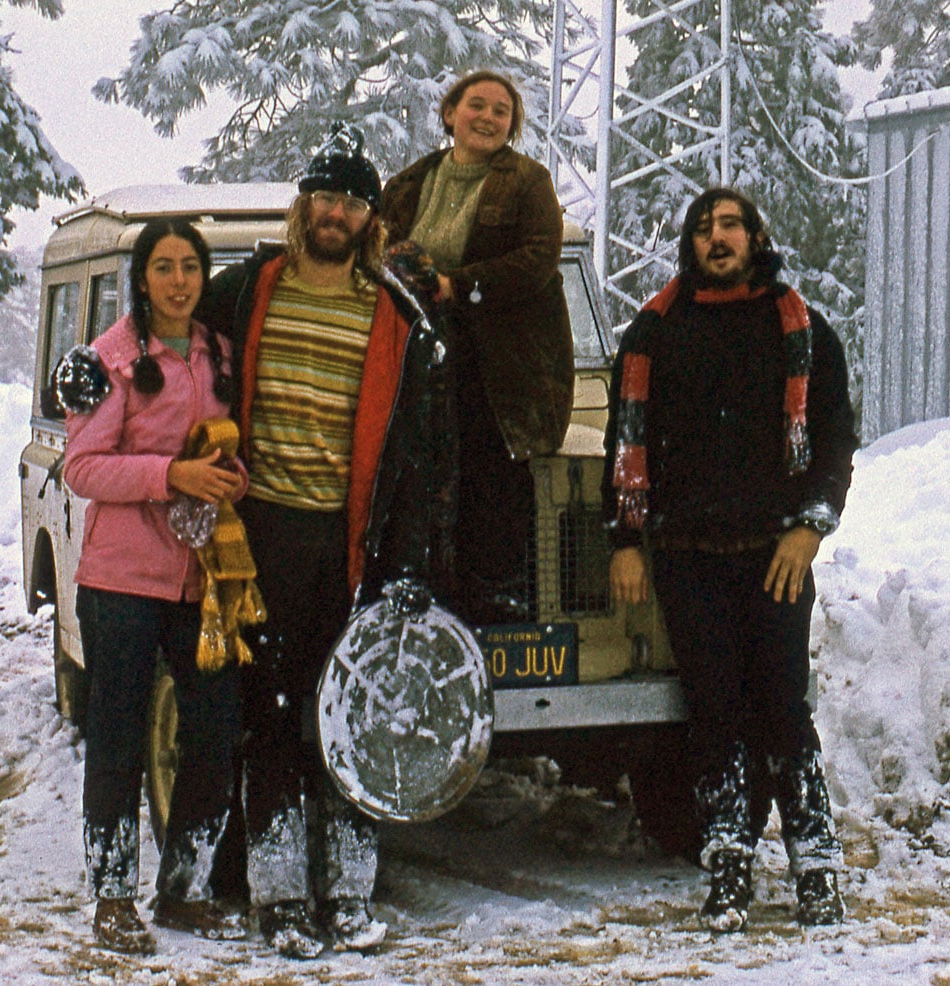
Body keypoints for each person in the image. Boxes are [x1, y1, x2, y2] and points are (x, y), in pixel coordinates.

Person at [195, 125, 447, 960]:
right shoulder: (248, 290)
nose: (335, 212)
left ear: (370, 217)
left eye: (351, 201)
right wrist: (101, 372)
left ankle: (346, 895)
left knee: (353, 718)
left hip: (353, 549)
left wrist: (407, 564)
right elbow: (162, 327)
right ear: (303, 207)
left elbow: (424, 457)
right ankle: (278, 898)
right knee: (268, 716)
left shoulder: (395, 314)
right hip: (262, 535)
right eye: (323, 197)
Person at [602, 188, 858, 933]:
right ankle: (727, 867)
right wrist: (624, 540)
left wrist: (810, 528)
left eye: (730, 226)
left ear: (755, 236)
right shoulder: (653, 332)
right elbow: (625, 444)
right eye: (705, 228)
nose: (718, 239)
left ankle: (816, 864)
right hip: (686, 558)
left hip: (776, 554)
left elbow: (835, 441)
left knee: (783, 710)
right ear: (690, 242)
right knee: (712, 716)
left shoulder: (802, 330)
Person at [60, 219, 250, 954]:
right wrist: (170, 475)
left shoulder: (217, 354)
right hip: (122, 581)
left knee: (212, 732)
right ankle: (112, 897)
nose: (179, 280)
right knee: (117, 739)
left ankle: (183, 889)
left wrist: (230, 477)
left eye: (191, 267)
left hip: (201, 580)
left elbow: (227, 450)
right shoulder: (109, 359)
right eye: (164, 267)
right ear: (142, 277)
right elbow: (83, 468)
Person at [380, 70, 574, 625]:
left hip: (502, 363)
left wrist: (454, 286)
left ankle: (496, 603)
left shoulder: (528, 182)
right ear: (449, 114)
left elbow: (539, 259)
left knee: (492, 478)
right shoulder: (410, 184)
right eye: (477, 106)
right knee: (419, 476)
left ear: (512, 126)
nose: (488, 118)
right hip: (415, 353)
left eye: (501, 111)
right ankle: (420, 594)